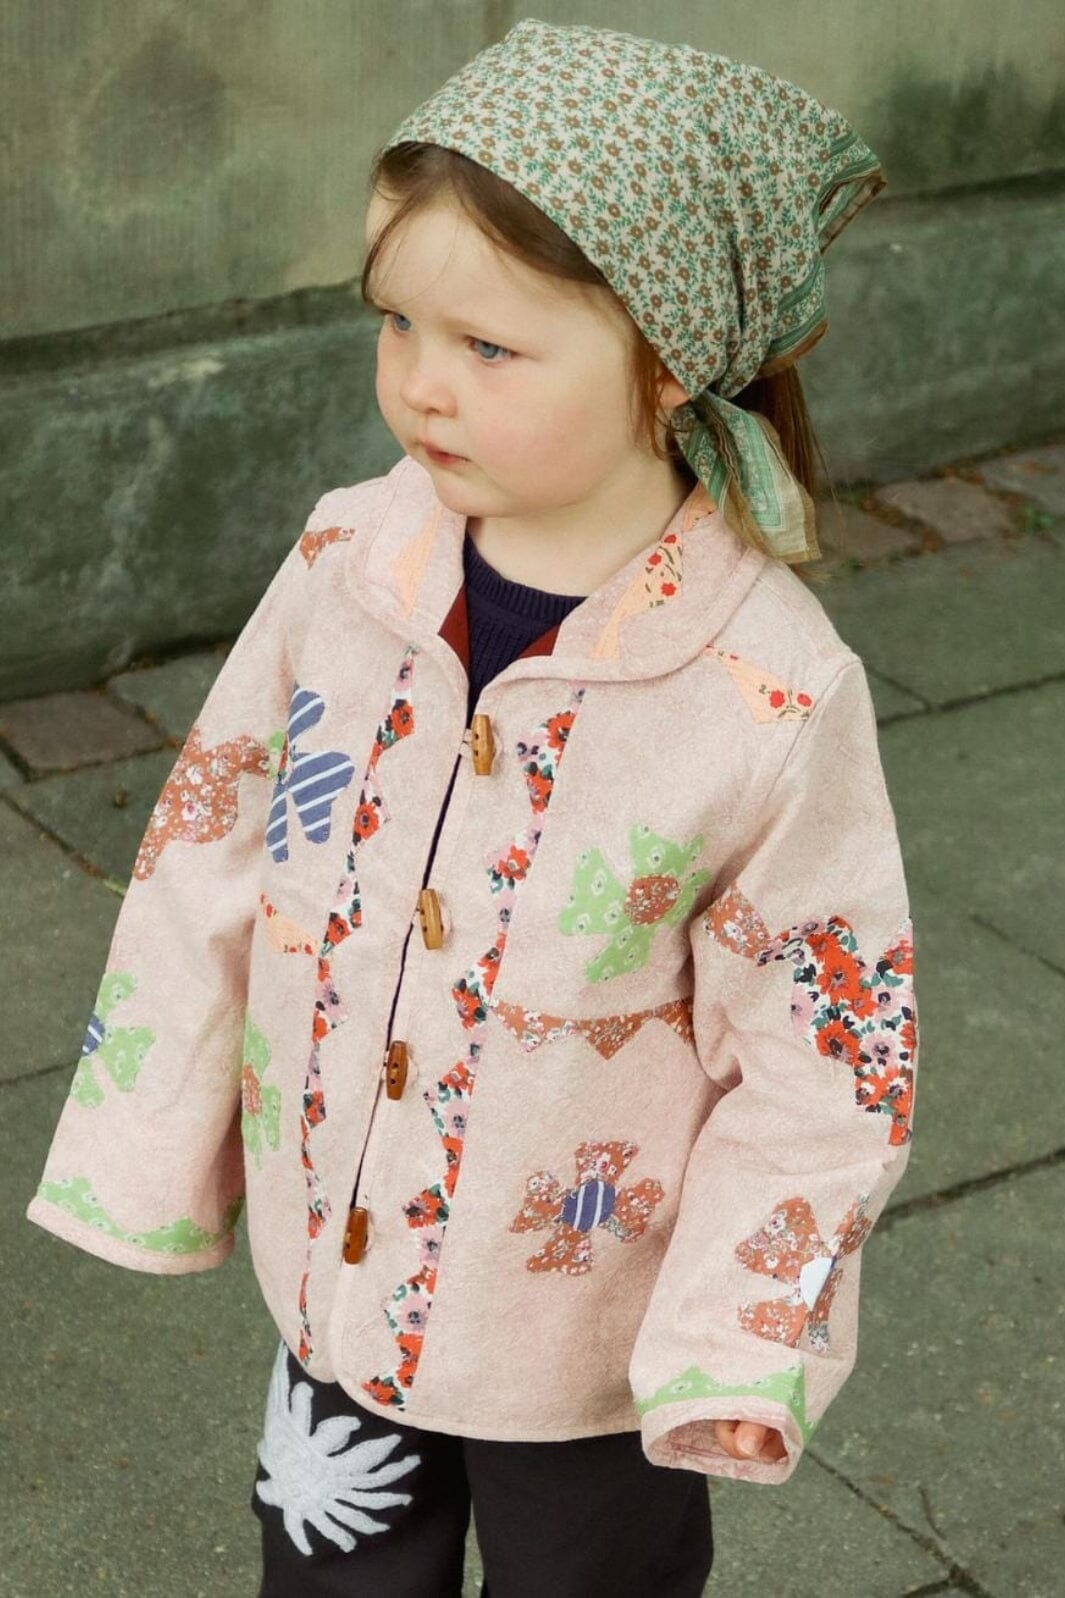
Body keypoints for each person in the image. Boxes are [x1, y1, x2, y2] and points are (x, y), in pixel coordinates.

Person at [27, 19, 918, 1597]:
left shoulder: (767, 686)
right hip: (344, 1277)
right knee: (331, 1568)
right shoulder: (347, 563)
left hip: (589, 1337)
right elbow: (210, 840)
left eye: (489, 347)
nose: (421, 385)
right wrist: (150, 1142)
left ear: (662, 358)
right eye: (397, 324)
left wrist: (738, 1333)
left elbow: (824, 1047)